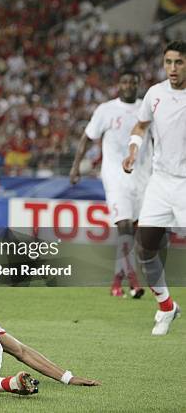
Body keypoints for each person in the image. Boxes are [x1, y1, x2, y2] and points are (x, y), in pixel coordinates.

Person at [122, 40, 186, 335]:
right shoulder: (155, 94)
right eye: (168, 62)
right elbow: (141, 125)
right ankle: (166, 306)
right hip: (160, 181)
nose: (173, 69)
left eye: (179, 62)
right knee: (144, 247)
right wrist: (133, 150)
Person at [70, 70, 149, 298]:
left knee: (135, 233)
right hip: (115, 177)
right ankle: (134, 282)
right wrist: (76, 167)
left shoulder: (147, 109)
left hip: (143, 177)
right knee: (124, 226)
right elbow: (87, 137)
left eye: (133, 81)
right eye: (124, 82)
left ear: (138, 83)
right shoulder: (106, 110)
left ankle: (116, 283)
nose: (128, 85)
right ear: (119, 85)